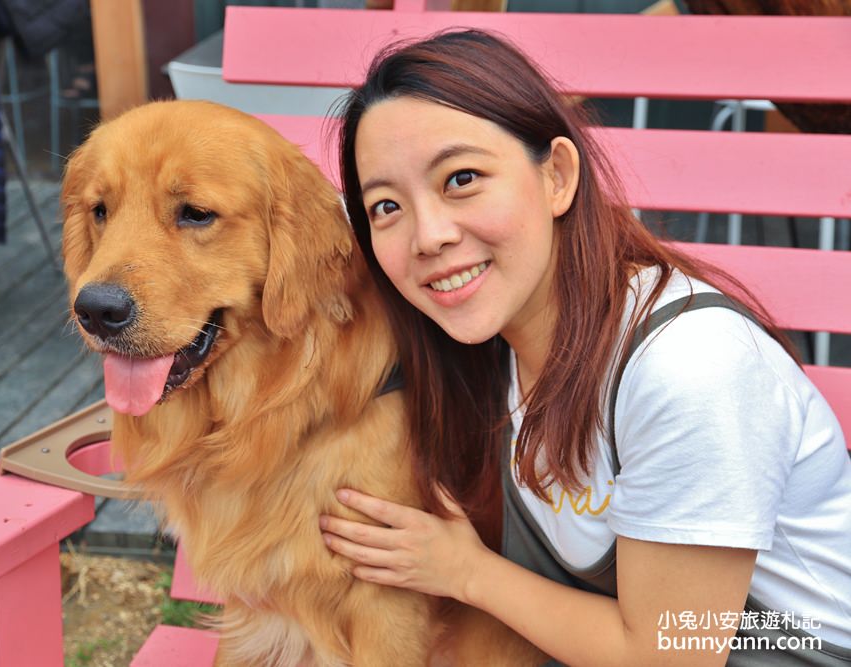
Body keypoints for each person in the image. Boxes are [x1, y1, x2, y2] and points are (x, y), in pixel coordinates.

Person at [317, 29, 851, 666]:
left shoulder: (690, 369)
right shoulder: (491, 348)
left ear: (558, 177)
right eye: (385, 207)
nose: (427, 236)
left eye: (461, 178)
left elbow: (668, 656)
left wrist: (465, 572)